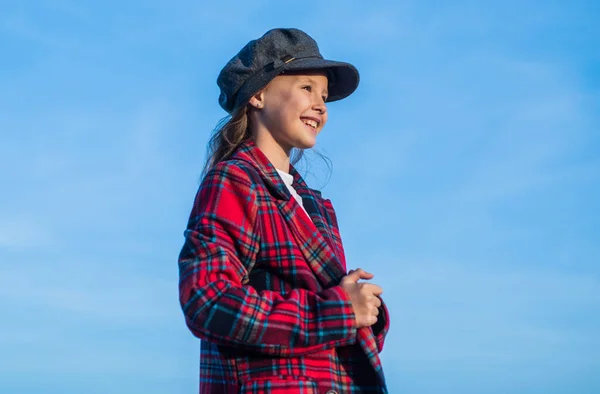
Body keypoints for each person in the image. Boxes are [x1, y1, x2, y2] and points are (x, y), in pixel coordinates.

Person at [178, 28, 390, 394]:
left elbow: (324, 341)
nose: (321, 105)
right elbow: (208, 300)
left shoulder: (315, 205)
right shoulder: (234, 181)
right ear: (258, 94)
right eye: (307, 88)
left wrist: (362, 312)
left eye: (324, 95)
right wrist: (337, 311)